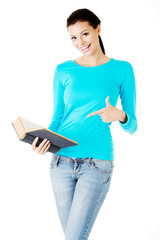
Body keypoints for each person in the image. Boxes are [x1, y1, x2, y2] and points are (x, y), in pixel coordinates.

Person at [32, 8, 137, 240]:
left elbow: (133, 125)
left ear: (98, 29)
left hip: (96, 164)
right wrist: (45, 141)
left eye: (85, 34)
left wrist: (119, 115)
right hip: (60, 163)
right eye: (73, 37)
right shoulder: (63, 70)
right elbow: (58, 117)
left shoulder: (122, 69)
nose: (80, 42)